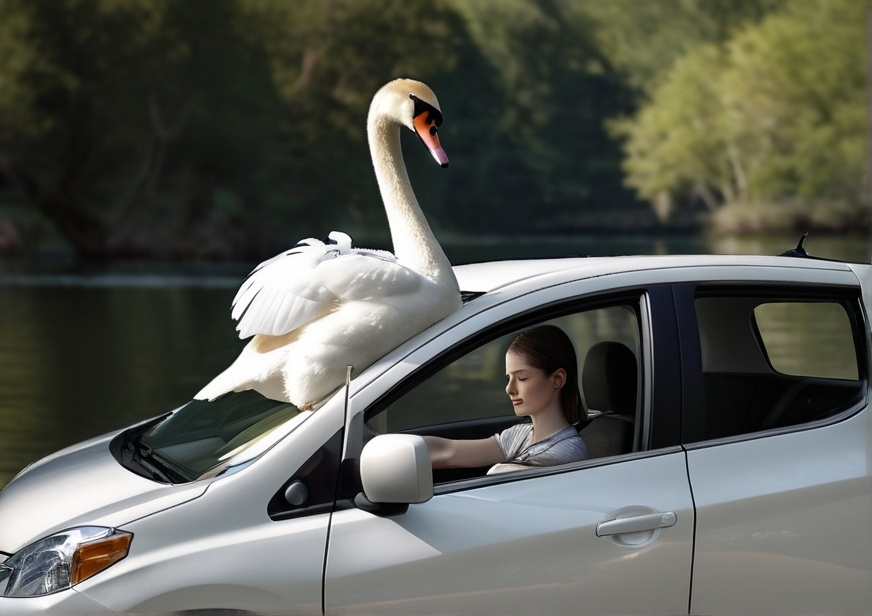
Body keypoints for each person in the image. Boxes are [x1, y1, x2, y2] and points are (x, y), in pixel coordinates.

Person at [424, 325, 588, 473]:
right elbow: (448, 451)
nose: (509, 389)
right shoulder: (520, 435)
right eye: (509, 378)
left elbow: (500, 473)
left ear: (557, 379)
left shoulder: (567, 451)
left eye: (522, 378)